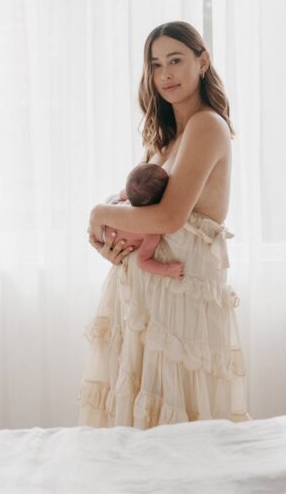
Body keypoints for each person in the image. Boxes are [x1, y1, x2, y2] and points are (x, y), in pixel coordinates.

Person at [78, 21, 249, 429]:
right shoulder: (168, 138)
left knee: (176, 422)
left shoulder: (206, 124)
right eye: (156, 65)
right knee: (140, 423)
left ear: (202, 62)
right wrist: (113, 246)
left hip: (179, 300)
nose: (165, 74)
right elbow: (142, 213)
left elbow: (170, 217)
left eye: (175, 60)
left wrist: (99, 215)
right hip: (146, 300)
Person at [102, 163, 185, 279]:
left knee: (118, 197)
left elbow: (124, 193)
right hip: (111, 238)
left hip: (108, 220)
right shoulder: (151, 231)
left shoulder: (128, 197)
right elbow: (142, 262)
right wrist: (168, 269)